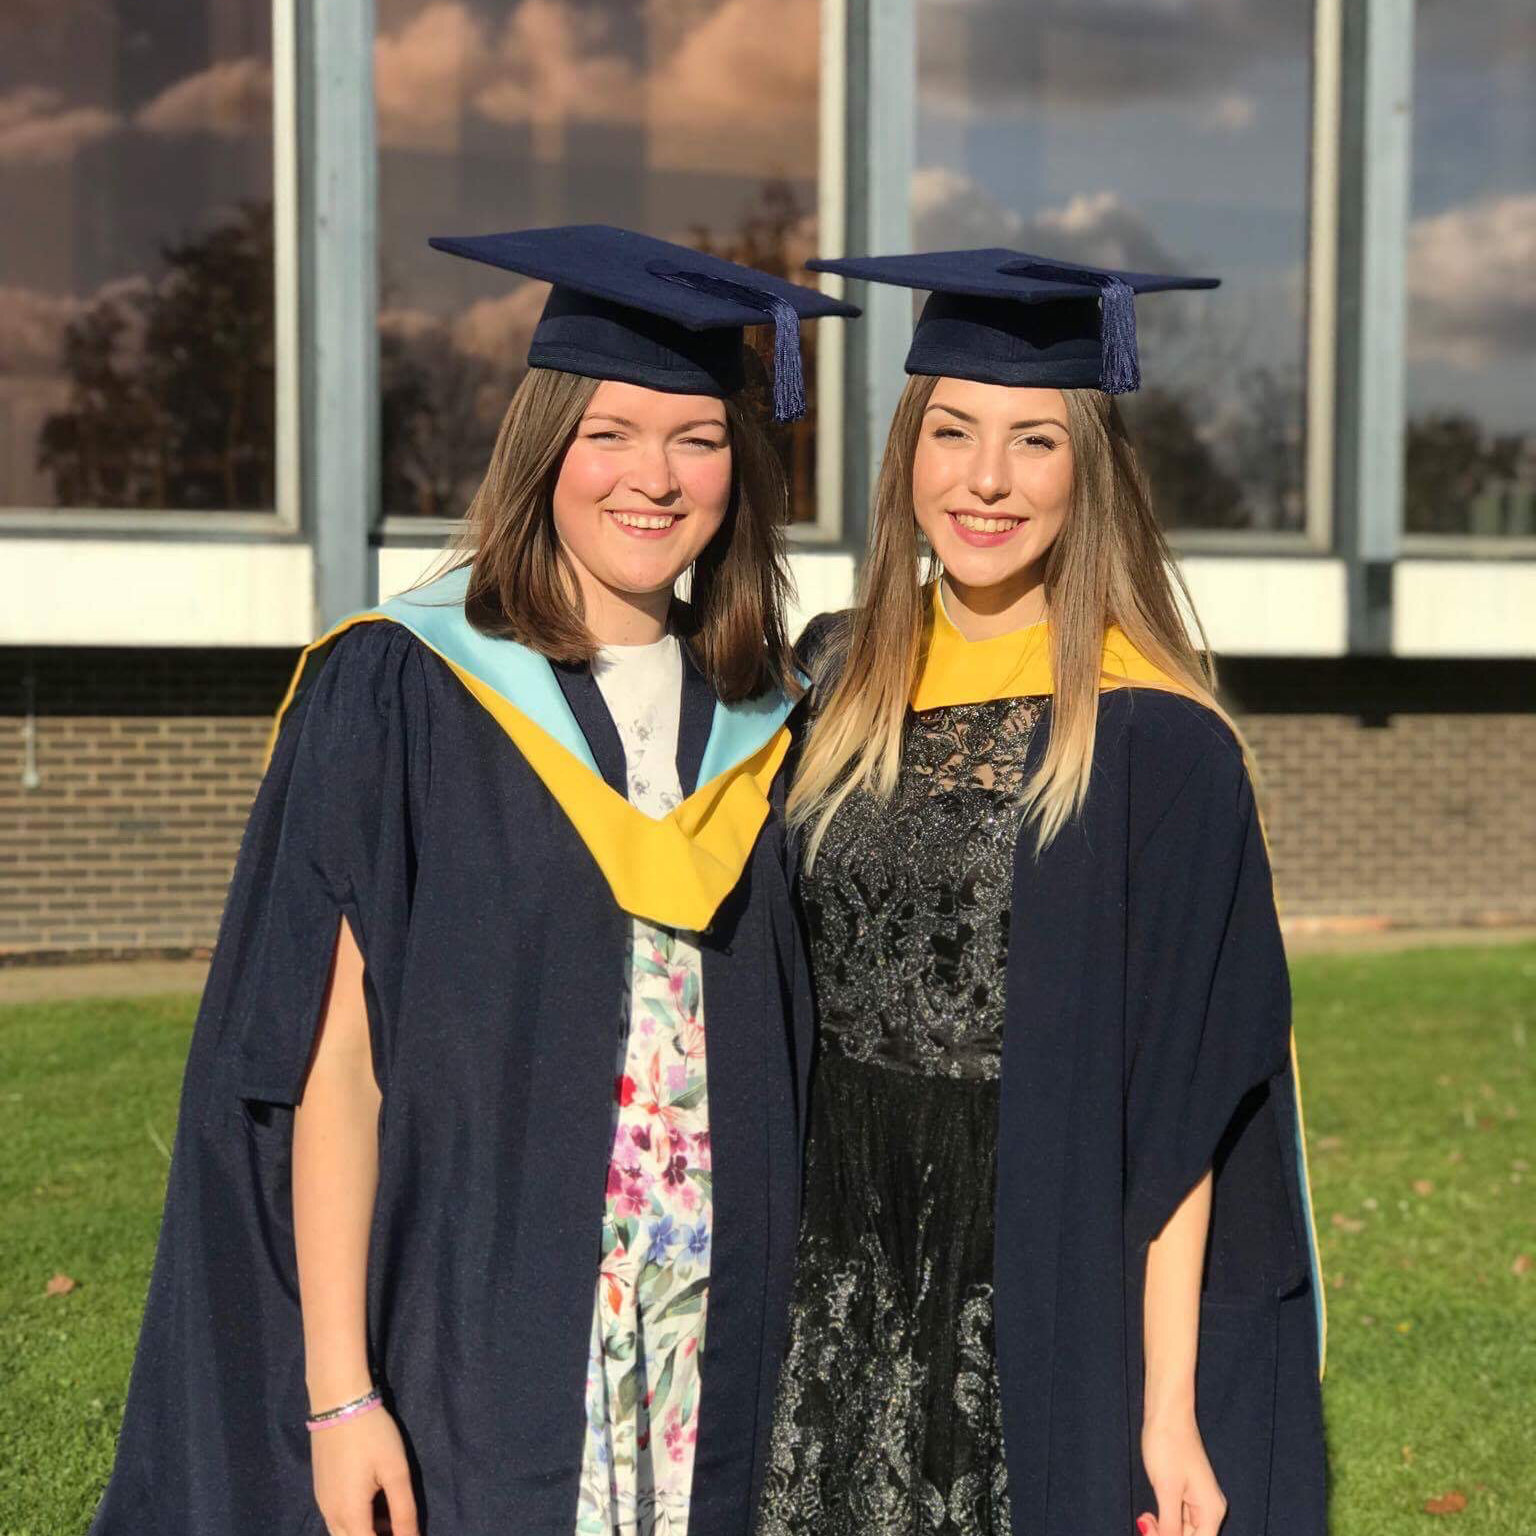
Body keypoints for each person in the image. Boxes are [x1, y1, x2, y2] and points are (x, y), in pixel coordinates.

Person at [87, 225, 858, 1536]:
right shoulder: (404, 688)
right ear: (543, 443)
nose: (654, 479)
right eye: (610, 431)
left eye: (699, 438)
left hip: (716, 1364)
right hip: (481, 1358)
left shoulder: (774, 720)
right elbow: (328, 1070)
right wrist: (340, 1399)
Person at [756, 248, 1328, 1536]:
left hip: (1032, 1247)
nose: (988, 479)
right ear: (908, 451)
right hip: (829, 1244)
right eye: (952, 431)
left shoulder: (1156, 744)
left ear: (1090, 475)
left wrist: (1166, 1405)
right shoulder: (829, 688)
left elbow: (1186, 1105)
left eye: (1035, 440)